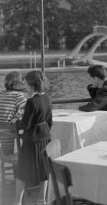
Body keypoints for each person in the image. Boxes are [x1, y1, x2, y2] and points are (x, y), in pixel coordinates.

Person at [13, 71, 52, 205]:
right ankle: (42, 200)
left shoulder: (31, 102)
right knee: (43, 169)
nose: (24, 85)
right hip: (45, 138)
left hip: (32, 141)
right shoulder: (46, 98)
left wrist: (16, 122)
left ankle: (17, 202)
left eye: (25, 83)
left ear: (31, 85)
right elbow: (49, 121)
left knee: (22, 171)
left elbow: (25, 124)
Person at [0, 71, 27, 155]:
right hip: (11, 129)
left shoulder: (1, 93)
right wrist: (16, 117)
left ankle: (6, 161)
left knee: (6, 152)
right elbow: (24, 109)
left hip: (2, 129)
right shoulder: (18, 96)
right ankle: (21, 163)